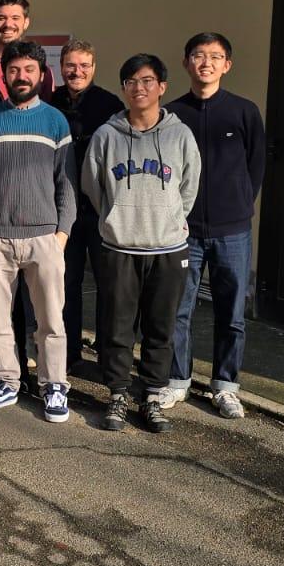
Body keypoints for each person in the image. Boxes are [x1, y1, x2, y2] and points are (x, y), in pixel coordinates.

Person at [81, 54, 200, 433]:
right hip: (119, 246)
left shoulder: (180, 135)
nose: (139, 88)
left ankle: (151, 396)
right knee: (117, 327)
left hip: (167, 248)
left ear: (162, 87)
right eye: (131, 81)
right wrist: (117, 217)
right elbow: (92, 185)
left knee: (160, 327)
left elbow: (189, 186)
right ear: (124, 89)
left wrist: (167, 220)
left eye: (147, 81)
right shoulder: (106, 135)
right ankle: (116, 394)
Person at [0, 41, 76, 421]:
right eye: (13, 70)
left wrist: (61, 235)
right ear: (4, 75)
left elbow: (66, 183)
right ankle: (5, 380)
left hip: (44, 238)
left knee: (51, 320)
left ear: (41, 75)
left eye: (28, 70)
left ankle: (53, 385)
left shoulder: (55, 121)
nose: (21, 77)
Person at [161, 32, 265, 420]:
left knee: (231, 311)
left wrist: (240, 202)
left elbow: (256, 165)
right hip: (183, 231)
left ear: (227, 65)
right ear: (187, 62)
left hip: (232, 229)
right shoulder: (171, 114)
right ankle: (177, 380)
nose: (206, 62)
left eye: (215, 56)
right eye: (199, 56)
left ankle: (225, 385)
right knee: (177, 309)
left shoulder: (243, 111)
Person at [49, 39, 124, 369]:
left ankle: (108, 359)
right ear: (61, 67)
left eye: (84, 66)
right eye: (70, 66)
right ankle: (68, 353)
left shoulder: (110, 105)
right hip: (61, 209)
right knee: (66, 284)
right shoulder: (50, 103)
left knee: (109, 286)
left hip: (101, 209)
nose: (76, 72)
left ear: (93, 68)